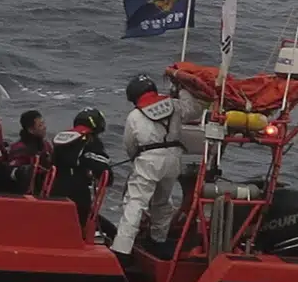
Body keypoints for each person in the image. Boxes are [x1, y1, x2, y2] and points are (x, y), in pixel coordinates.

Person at [110, 73, 195, 257]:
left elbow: (129, 145)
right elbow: (192, 110)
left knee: (135, 202)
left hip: (149, 159)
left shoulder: (135, 115)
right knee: (162, 202)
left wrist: (137, 162)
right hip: (173, 159)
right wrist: (184, 89)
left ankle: (121, 249)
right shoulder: (174, 104)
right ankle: (158, 242)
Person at [53, 109, 111, 228]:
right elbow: (103, 169)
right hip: (77, 195)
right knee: (109, 229)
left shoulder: (62, 138)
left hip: (54, 192)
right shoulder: (91, 141)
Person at [10, 109, 56, 196]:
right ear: (31, 130)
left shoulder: (46, 145)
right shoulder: (19, 149)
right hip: (26, 195)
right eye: (40, 125)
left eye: (43, 123)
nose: (44, 127)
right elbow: (15, 174)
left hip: (45, 191)